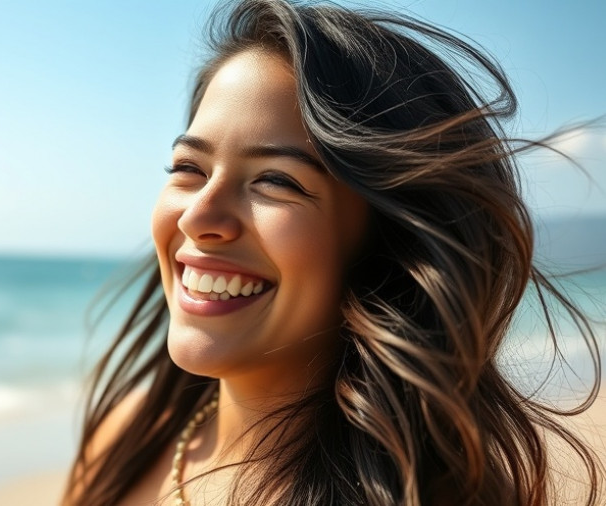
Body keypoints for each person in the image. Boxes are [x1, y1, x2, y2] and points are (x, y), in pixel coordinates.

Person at [63, 1, 603, 504]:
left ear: (386, 241)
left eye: (275, 181)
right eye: (189, 169)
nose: (197, 217)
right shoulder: (124, 440)